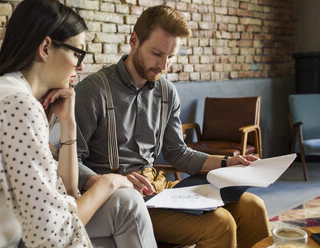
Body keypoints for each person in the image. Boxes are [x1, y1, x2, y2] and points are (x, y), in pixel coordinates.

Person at [0, 0, 156, 247]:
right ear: (46, 48)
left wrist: (68, 124)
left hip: (7, 232)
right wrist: (108, 182)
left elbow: (65, 194)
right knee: (125, 205)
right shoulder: (18, 107)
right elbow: (53, 237)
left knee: (125, 206)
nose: (80, 66)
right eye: (77, 52)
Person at [75, 5, 271, 248]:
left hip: (159, 187)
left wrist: (225, 163)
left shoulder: (167, 92)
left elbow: (177, 152)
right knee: (220, 224)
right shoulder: (92, 91)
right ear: (133, 41)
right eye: (157, 53)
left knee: (252, 207)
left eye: (171, 56)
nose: (164, 65)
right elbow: (72, 161)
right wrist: (110, 180)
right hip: (120, 198)